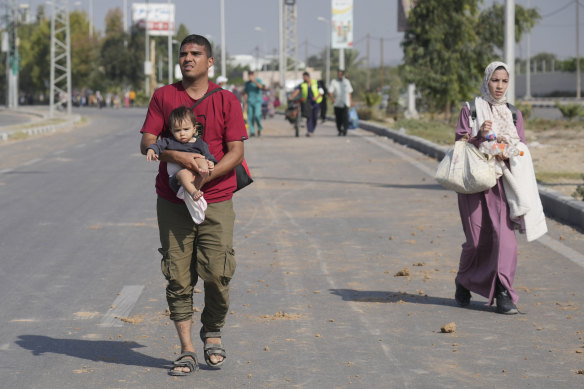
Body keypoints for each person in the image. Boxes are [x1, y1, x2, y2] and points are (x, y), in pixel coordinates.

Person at [140, 34, 247, 375]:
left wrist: (203, 178)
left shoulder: (226, 100)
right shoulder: (163, 96)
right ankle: (186, 348)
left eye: (195, 53)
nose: (188, 58)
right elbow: (147, 141)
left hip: (215, 198)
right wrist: (178, 157)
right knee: (177, 276)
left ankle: (212, 328)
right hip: (172, 201)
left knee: (217, 273)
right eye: (183, 53)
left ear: (209, 61)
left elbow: (236, 152)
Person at [453, 61, 546, 315]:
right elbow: (459, 142)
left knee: (505, 242)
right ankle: (463, 279)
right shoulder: (471, 109)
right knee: (475, 241)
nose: (499, 86)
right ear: (487, 80)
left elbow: (522, 148)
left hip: (502, 183)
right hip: (473, 183)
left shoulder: (513, 113)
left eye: (504, 81)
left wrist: (510, 150)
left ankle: (504, 292)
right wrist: (480, 136)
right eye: (495, 80)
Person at [146, 106, 217, 204]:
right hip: (177, 179)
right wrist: (151, 150)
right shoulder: (170, 141)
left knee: (202, 159)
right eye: (177, 130)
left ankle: (203, 174)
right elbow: (158, 145)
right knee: (184, 174)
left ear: (194, 128)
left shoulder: (200, 143)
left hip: (196, 176)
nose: (182, 133)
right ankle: (193, 193)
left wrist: (211, 164)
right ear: (171, 130)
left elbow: (208, 156)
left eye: (186, 129)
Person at [289, 71, 322, 137]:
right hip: (307, 102)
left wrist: (317, 97)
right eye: (303, 77)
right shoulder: (302, 84)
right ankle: (309, 131)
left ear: (308, 77)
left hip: (316, 102)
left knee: (314, 117)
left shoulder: (315, 82)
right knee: (309, 116)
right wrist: (291, 97)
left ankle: (312, 130)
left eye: (305, 77)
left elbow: (321, 91)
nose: (304, 78)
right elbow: (297, 91)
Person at [328, 69, 353, 136]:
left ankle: (345, 130)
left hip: (345, 103)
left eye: (341, 74)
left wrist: (351, 102)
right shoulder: (334, 82)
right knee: (338, 118)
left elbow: (349, 92)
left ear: (343, 75)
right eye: (338, 74)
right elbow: (330, 92)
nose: (339, 76)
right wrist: (333, 99)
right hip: (337, 103)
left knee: (345, 117)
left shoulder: (346, 82)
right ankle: (339, 130)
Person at [243, 71, 265, 136]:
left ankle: (259, 128)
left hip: (257, 101)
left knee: (257, 115)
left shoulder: (258, 81)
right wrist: (245, 103)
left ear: (253, 75)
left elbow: (261, 87)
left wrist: (254, 81)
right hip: (249, 102)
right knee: (250, 117)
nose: (250, 77)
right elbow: (245, 93)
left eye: (251, 75)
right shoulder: (247, 83)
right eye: (249, 76)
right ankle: (252, 131)